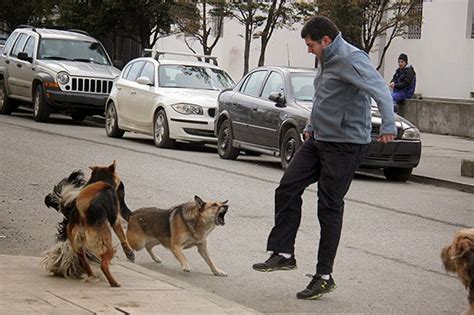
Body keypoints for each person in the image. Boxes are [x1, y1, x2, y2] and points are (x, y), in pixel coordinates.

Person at [252, 16, 397, 300]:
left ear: (326, 41)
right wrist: (310, 126)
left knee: (328, 206)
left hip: (345, 144)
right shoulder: (327, 60)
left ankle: (324, 276)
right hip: (319, 139)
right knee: (287, 187)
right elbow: (323, 98)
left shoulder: (352, 58)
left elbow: (379, 89)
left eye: (310, 45)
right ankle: (283, 252)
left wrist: (389, 125)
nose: (309, 50)